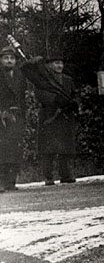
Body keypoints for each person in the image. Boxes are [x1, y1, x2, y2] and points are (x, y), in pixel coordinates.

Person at [21, 53, 79, 186]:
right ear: (49, 65)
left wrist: (74, 102)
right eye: (56, 63)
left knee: (66, 147)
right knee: (48, 149)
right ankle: (48, 177)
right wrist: (55, 101)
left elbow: (75, 94)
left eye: (61, 63)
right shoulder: (42, 80)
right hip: (49, 115)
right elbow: (40, 94)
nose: (59, 66)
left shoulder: (68, 80)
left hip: (65, 115)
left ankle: (66, 175)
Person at [0, 46, 27, 192]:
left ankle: (11, 182)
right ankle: (1, 182)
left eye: (12, 58)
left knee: (15, 149)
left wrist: (23, 115)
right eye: (6, 58)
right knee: (2, 150)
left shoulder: (20, 76)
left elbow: (22, 98)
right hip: (2, 118)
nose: (9, 61)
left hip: (17, 117)